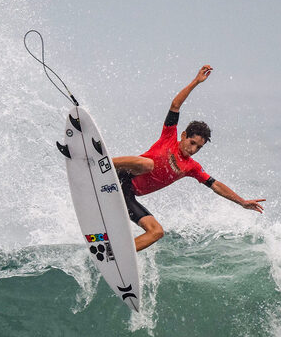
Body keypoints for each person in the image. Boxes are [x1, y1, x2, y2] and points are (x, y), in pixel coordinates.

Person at [113, 65, 265, 251]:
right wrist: (195, 82)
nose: (193, 150)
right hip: (119, 176)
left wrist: (242, 202)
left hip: (127, 195)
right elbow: (175, 105)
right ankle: (103, 164)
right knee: (147, 163)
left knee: (157, 232)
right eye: (192, 143)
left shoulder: (191, 167)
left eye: (199, 148)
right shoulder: (169, 136)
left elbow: (215, 185)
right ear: (183, 135)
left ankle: (118, 253)